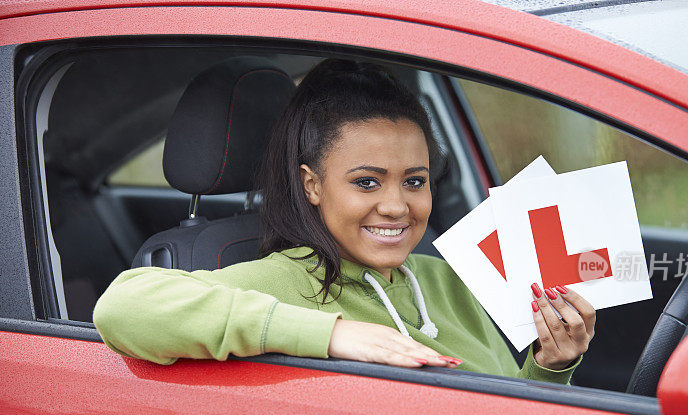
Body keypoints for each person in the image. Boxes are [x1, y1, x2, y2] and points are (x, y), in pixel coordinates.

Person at [93, 59, 595, 384]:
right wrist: (331, 335)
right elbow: (122, 308)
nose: (398, 206)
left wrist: (551, 367)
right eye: (367, 182)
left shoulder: (445, 278)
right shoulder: (281, 280)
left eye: (415, 181)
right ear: (312, 184)